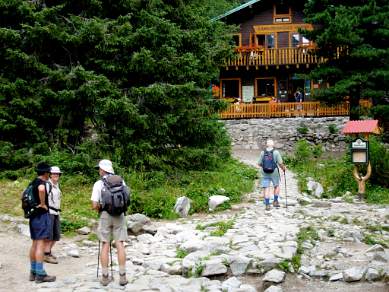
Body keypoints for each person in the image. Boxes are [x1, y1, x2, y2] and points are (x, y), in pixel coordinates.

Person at [91, 159, 128, 286]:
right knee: (120, 244)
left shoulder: (98, 184)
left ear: (103, 169)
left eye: (99, 169)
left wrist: (99, 209)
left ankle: (105, 276)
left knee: (105, 244)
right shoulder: (121, 181)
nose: (99, 171)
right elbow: (126, 198)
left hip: (105, 215)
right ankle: (122, 276)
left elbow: (94, 204)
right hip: (120, 215)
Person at [28, 162, 56, 283]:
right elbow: (41, 189)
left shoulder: (32, 182)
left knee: (34, 244)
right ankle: (40, 274)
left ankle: (33, 272)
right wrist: (43, 204)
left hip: (33, 216)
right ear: (46, 173)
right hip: (41, 216)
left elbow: (22, 195)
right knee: (40, 244)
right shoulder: (41, 183)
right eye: (49, 172)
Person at [258, 140, 286, 211]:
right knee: (276, 186)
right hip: (274, 172)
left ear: (267, 145)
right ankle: (275, 202)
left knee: (266, 188)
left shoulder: (262, 152)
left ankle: (267, 204)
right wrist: (283, 168)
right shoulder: (276, 152)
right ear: (273, 145)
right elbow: (280, 163)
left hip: (264, 172)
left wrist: (265, 167)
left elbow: (259, 163)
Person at [44, 166, 62, 264]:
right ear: (50, 174)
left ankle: (47, 252)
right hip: (48, 212)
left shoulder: (57, 185)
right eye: (54, 173)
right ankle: (46, 255)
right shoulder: (47, 185)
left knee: (56, 235)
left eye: (57, 174)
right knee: (49, 235)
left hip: (56, 212)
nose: (56, 175)